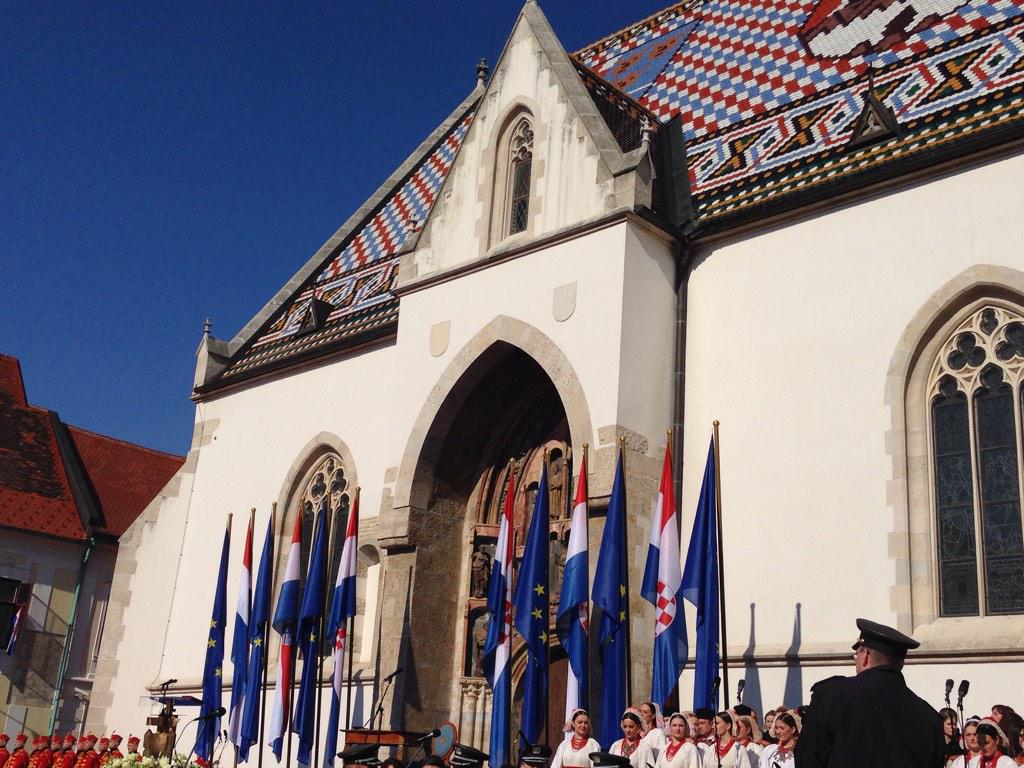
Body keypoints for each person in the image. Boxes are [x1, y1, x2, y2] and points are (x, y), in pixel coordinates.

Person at [795, 618, 945, 768]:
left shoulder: (831, 696)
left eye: (856, 656)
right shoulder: (930, 718)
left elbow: (808, 758)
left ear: (865, 656)